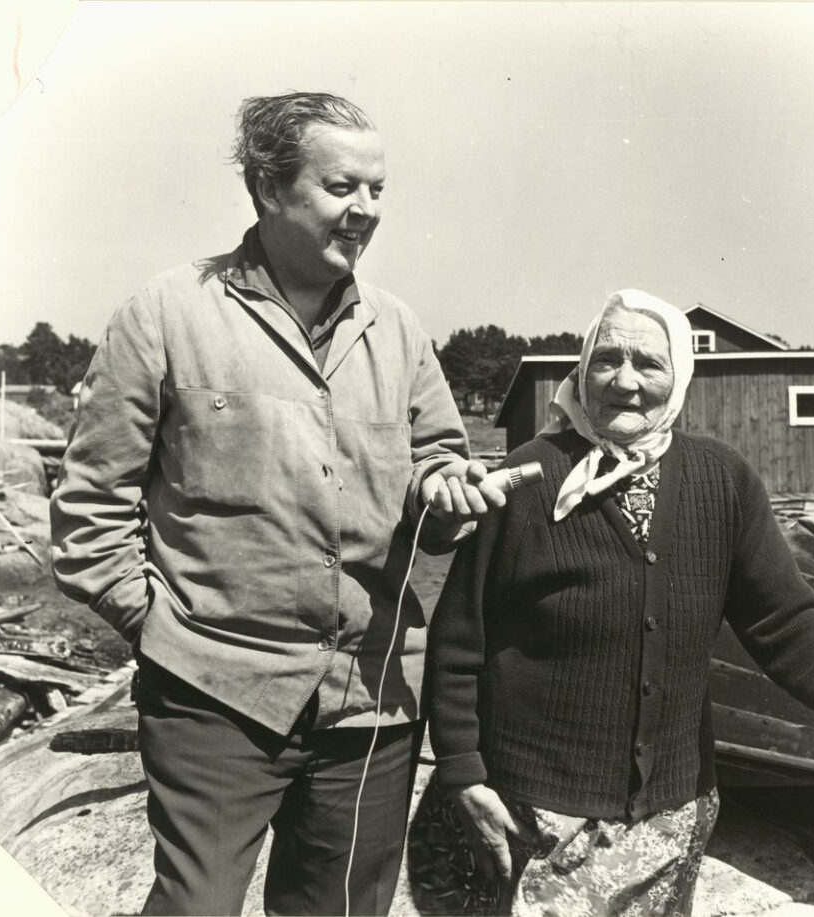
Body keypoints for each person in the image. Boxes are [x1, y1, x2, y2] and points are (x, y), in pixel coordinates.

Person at [50, 91, 503, 917]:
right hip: (212, 696)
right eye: (342, 187)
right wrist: (155, 628)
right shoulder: (166, 314)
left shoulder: (399, 330)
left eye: (378, 190)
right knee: (196, 907)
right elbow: (89, 506)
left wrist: (445, 490)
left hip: (371, 700)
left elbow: (438, 463)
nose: (366, 211)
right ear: (267, 188)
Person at [425, 289, 814, 916]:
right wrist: (463, 774)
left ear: (680, 377)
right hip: (534, 812)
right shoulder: (528, 478)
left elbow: (786, 619)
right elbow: (457, 642)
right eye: (605, 359)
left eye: (648, 363)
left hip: (672, 815)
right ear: (580, 371)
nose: (625, 381)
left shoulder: (721, 480)